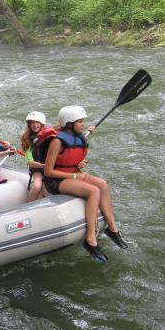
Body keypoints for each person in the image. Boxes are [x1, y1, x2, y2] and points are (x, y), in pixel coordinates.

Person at [42, 105, 128, 262]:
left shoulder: (78, 138)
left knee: (102, 184)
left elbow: (71, 161)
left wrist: (77, 168)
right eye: (80, 121)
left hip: (72, 174)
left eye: (83, 121)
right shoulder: (57, 141)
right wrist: (74, 175)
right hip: (55, 181)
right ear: (69, 123)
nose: (83, 124)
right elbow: (48, 172)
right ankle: (90, 240)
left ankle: (113, 229)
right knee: (93, 191)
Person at [21, 111, 48, 202]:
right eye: (32, 123)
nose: (35, 125)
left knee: (44, 191)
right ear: (29, 125)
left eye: (37, 122)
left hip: (48, 167)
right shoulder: (27, 139)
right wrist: (43, 166)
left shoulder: (49, 136)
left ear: (42, 124)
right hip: (37, 168)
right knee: (37, 186)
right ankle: (27, 205)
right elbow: (30, 162)